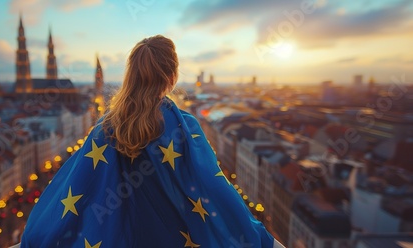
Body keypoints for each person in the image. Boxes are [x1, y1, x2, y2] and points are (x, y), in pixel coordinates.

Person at [19, 35, 284, 248]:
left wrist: (39, 233)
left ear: (130, 74)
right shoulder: (183, 126)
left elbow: (75, 185)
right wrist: (260, 238)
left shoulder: (106, 126)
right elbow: (213, 187)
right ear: (172, 77)